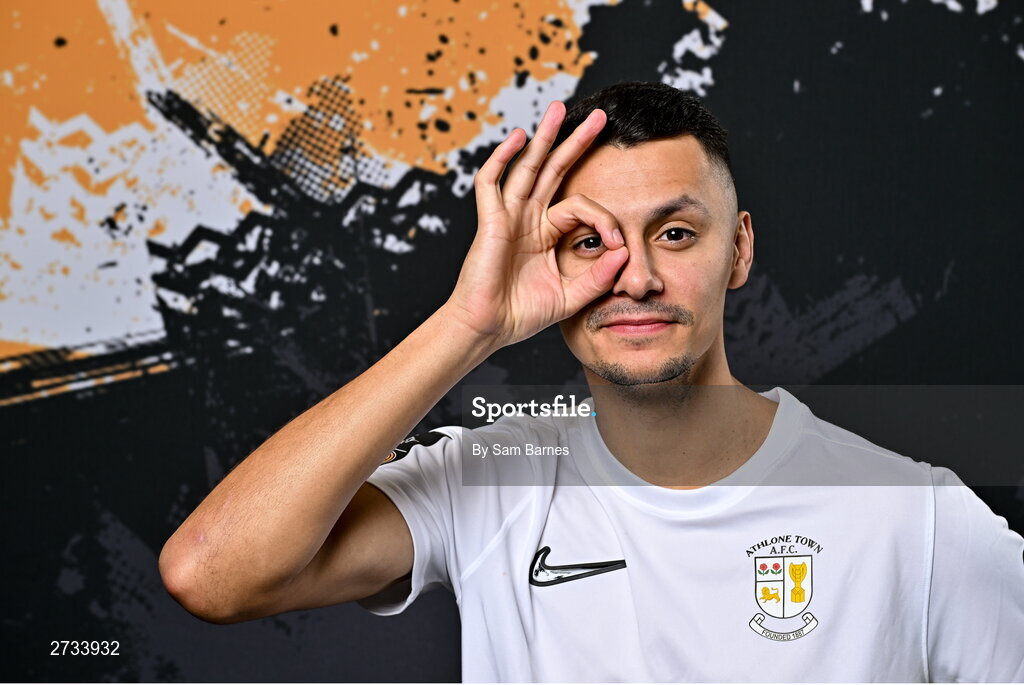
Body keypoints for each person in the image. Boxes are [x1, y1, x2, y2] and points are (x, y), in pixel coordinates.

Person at [159, 81, 1024, 682]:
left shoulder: (917, 518)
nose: (635, 276)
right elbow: (212, 572)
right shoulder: (485, 481)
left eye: (676, 234)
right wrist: (469, 325)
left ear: (740, 249)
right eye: (590, 242)